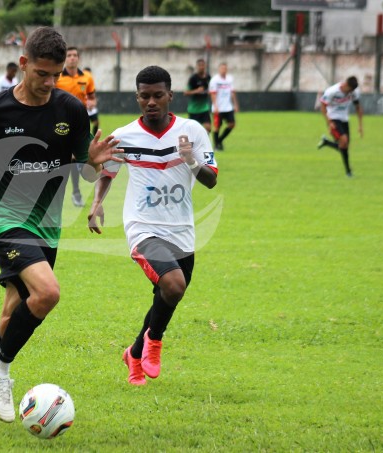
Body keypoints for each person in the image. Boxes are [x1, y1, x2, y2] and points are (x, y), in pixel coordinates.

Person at [0, 27, 122, 425]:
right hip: (3, 216)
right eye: (41, 74)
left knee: (14, 311)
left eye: (55, 75)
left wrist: (94, 161)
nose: (49, 83)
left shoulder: (70, 109)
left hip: (47, 223)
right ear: (23, 65)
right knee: (48, 293)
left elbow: (85, 174)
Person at [87, 66, 218, 386]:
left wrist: (191, 160)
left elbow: (211, 180)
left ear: (170, 96)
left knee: (168, 295)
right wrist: (96, 204)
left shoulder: (193, 132)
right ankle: (154, 344)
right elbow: (107, 173)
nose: (151, 102)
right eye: (144, 96)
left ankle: (134, 353)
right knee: (173, 285)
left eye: (158, 95)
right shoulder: (124, 136)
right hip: (143, 226)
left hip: (182, 229)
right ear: (137, 97)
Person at [56, 47, 97, 207]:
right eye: (69, 55)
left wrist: (92, 103)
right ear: (65, 59)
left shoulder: (87, 78)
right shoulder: (58, 77)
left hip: (80, 123)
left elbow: (92, 97)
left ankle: (76, 192)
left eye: (75, 55)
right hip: (60, 123)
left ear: (78, 58)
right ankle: (71, 191)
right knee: (64, 158)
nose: (72, 58)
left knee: (74, 158)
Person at [317, 76, 363, 177]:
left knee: (344, 146)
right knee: (344, 141)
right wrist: (329, 122)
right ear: (346, 84)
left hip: (344, 119)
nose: (350, 93)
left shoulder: (354, 92)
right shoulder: (332, 91)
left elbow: (358, 107)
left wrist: (360, 125)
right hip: (333, 118)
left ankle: (327, 143)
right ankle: (348, 172)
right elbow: (323, 106)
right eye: (349, 90)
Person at [209, 63, 239, 151]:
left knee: (232, 124)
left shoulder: (229, 79)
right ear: (219, 69)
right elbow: (213, 94)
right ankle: (216, 145)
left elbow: (232, 92)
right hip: (218, 108)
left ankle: (219, 141)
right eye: (222, 68)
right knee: (217, 127)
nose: (224, 70)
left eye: (225, 68)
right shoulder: (215, 80)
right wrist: (215, 106)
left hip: (228, 107)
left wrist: (235, 104)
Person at [184, 58, 212, 133]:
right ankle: (196, 142)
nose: (201, 67)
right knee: (193, 131)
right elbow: (186, 92)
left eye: (202, 65)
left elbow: (211, 88)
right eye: (199, 65)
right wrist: (196, 91)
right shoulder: (193, 78)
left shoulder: (208, 77)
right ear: (197, 66)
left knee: (208, 128)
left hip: (204, 108)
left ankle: (204, 142)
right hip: (194, 109)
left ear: (205, 66)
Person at [83, 66, 100, 136]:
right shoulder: (81, 82)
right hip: (84, 107)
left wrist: (94, 103)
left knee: (96, 122)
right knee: (84, 125)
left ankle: (94, 136)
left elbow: (93, 96)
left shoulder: (91, 83)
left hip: (91, 108)